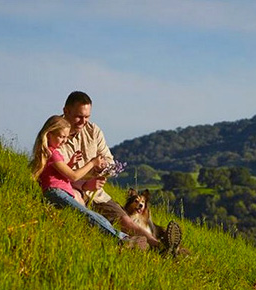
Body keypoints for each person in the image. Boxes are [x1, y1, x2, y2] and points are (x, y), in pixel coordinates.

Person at [58, 91, 182, 255]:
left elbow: (109, 159)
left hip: (97, 191)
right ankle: (123, 240)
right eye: (79, 117)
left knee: (125, 220)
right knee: (82, 209)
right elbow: (61, 174)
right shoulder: (56, 134)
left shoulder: (93, 131)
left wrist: (103, 168)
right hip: (74, 189)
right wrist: (86, 181)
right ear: (66, 111)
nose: (83, 122)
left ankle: (159, 246)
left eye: (87, 117)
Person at [29, 115, 143, 248]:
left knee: (94, 216)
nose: (64, 141)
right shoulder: (52, 154)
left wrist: (71, 163)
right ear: (49, 135)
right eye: (61, 136)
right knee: (88, 215)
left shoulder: (53, 152)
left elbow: (59, 174)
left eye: (66, 137)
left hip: (61, 191)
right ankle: (122, 240)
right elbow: (73, 176)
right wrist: (92, 162)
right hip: (56, 192)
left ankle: (125, 238)